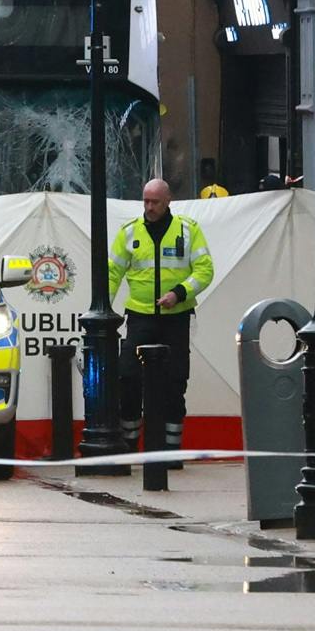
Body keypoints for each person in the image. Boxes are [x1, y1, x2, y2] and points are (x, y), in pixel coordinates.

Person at [109, 178, 214, 454]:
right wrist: (103, 309)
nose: (150, 206)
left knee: (175, 381)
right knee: (128, 377)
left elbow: (204, 271)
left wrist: (178, 293)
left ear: (168, 201)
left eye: (155, 201)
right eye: (146, 201)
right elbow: (111, 273)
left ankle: (171, 449)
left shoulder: (188, 230)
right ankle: (129, 443)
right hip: (140, 316)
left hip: (176, 317)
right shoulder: (130, 233)